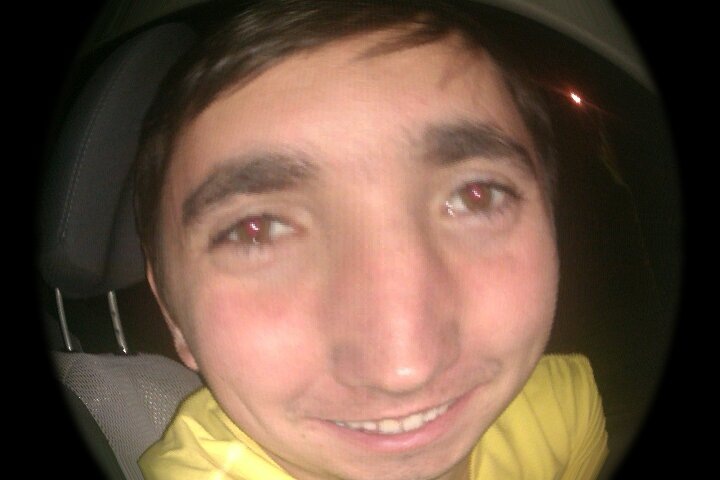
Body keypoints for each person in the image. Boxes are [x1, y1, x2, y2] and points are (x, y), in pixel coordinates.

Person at [133, 0, 608, 478]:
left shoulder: (563, 409)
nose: (404, 369)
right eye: (257, 230)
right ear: (173, 312)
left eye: (476, 197)